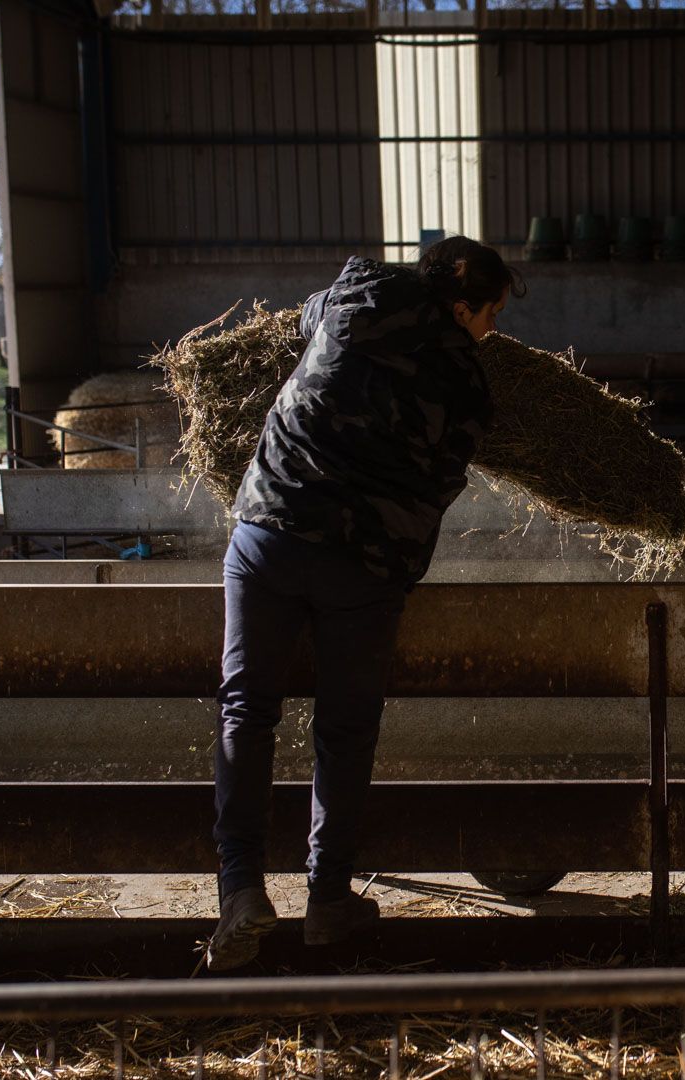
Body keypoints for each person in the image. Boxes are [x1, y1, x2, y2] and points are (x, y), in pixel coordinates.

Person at [206, 237, 523, 971]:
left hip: (270, 533)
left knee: (246, 711)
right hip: (364, 563)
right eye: (491, 314)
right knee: (345, 733)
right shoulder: (468, 383)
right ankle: (326, 899)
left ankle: (241, 888)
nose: (492, 331)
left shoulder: (353, 295)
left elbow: (298, 323)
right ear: (463, 302)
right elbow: (441, 485)